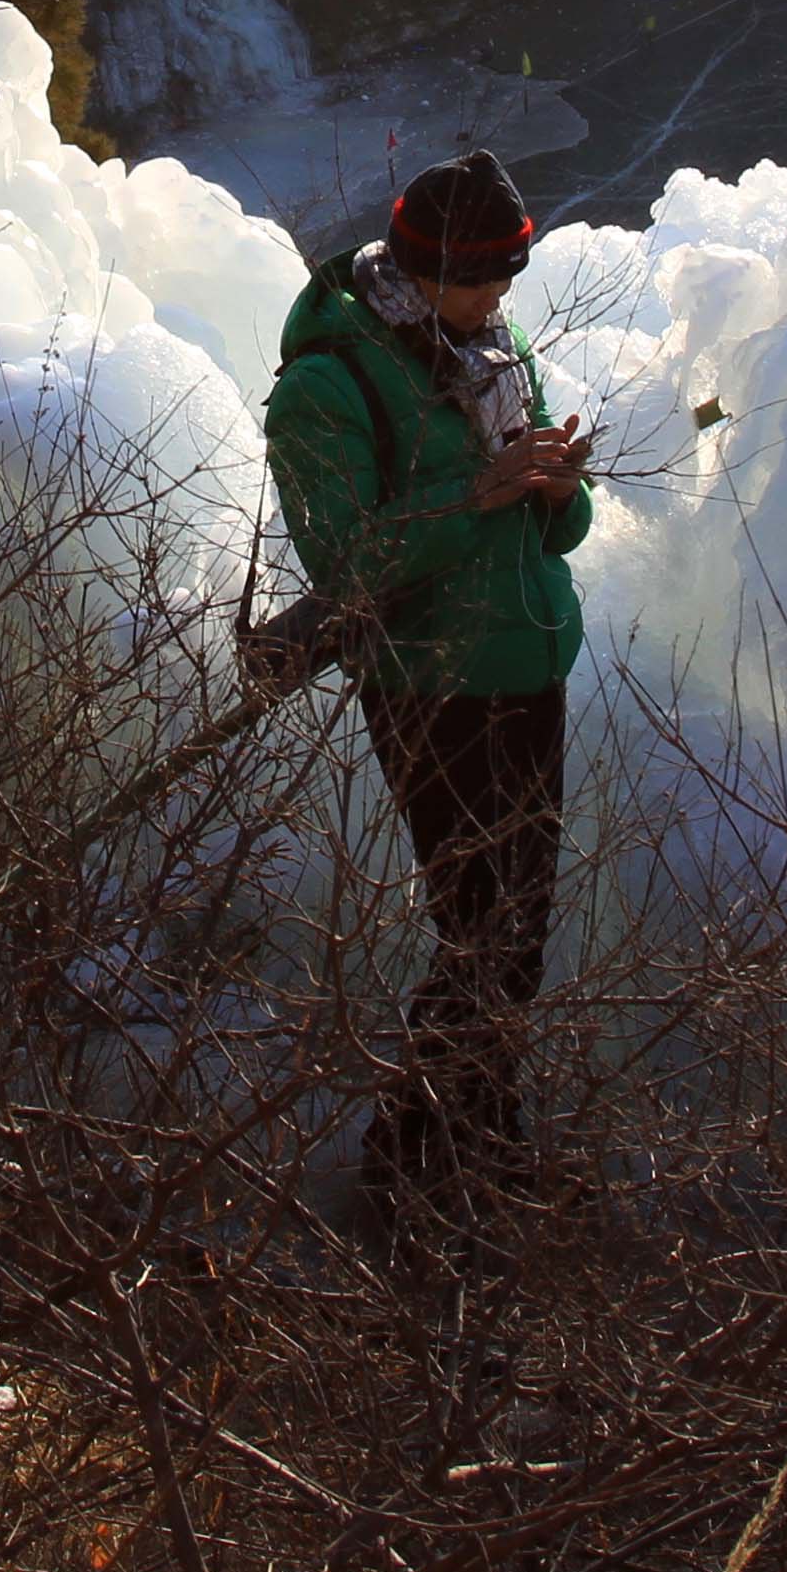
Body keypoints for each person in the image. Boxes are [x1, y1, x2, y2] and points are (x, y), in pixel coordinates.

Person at [265, 148, 595, 1232]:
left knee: (516, 932)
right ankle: (423, 1160)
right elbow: (348, 567)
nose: (506, 296)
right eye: (489, 275)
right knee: (484, 931)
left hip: (528, 658)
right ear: (427, 263)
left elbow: (557, 533)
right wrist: (478, 491)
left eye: (513, 275)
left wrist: (554, 488)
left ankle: (474, 1136)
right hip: (433, 684)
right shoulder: (330, 382)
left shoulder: (489, 347)